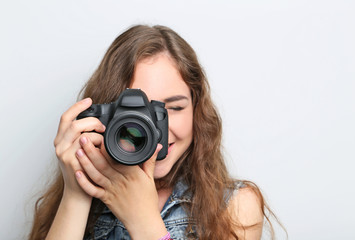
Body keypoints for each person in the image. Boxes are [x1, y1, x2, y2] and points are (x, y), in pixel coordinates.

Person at [29, 25, 275, 240]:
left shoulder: (235, 205)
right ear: (107, 117)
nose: (157, 130)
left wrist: (143, 221)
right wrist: (77, 191)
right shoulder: (83, 198)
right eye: (136, 113)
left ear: (197, 112)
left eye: (174, 108)